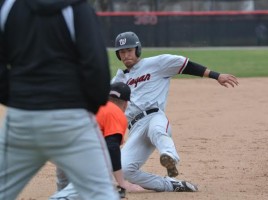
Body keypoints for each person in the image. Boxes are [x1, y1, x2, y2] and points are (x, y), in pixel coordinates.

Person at [0, 0, 119, 199]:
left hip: (22, 120)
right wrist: (88, 106)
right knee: (101, 193)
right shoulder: (76, 8)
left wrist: (17, 98)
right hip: (72, 119)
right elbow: (96, 65)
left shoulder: (7, 7)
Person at [111, 31, 239, 192]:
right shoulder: (117, 81)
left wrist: (216, 75)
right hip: (135, 129)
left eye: (129, 50)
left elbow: (185, 65)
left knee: (157, 130)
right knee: (124, 170)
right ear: (118, 55)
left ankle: (169, 157)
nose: (126, 55)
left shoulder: (156, 63)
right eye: (122, 52)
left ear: (137, 50)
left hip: (153, 116)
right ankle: (171, 184)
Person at [51, 82, 144, 199]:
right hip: (75, 150)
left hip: (54, 143)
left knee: (65, 187)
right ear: (125, 104)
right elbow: (112, 147)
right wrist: (122, 182)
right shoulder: (116, 113)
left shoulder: (94, 105)